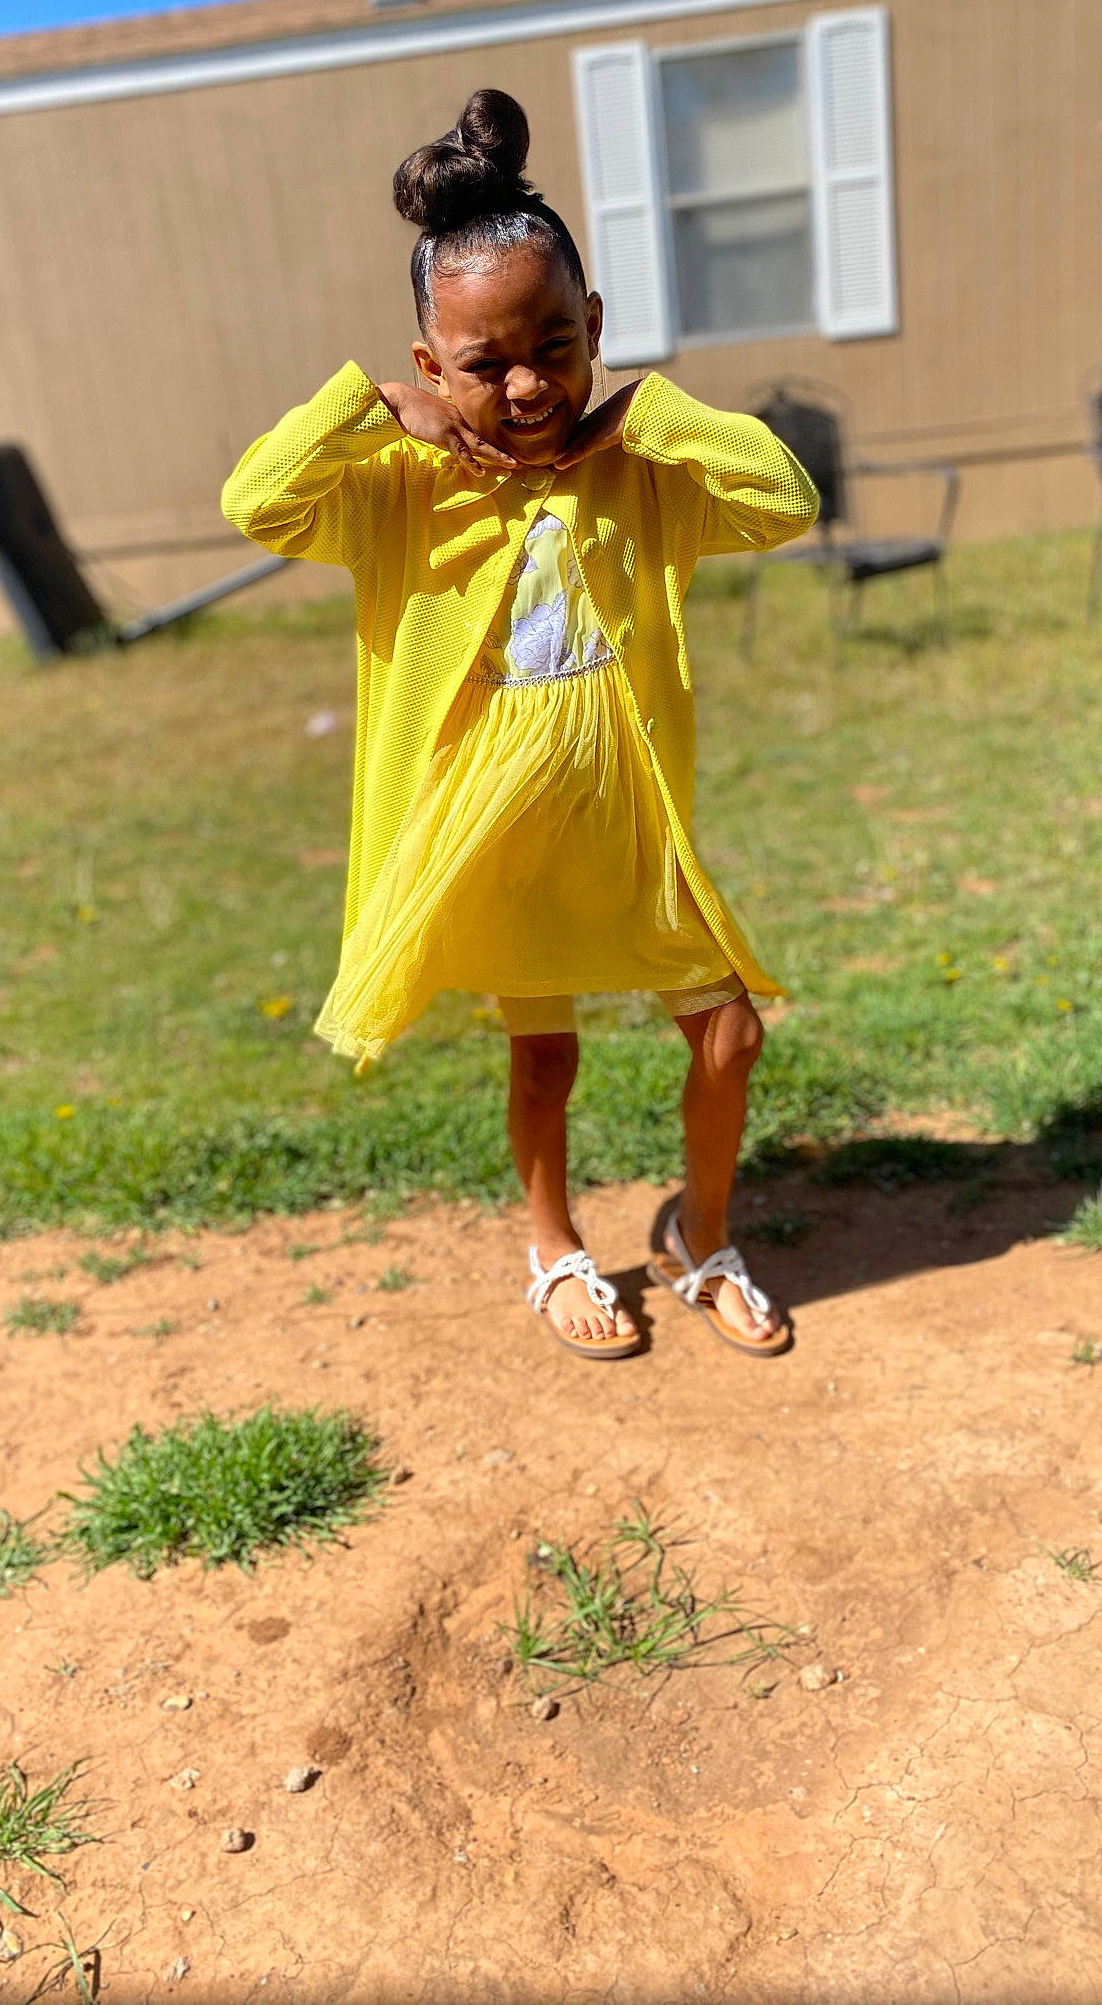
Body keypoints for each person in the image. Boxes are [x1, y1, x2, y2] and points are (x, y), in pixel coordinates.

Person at [222, 89, 817, 1362]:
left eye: (555, 346)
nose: (529, 383)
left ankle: (697, 1232)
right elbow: (255, 501)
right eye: (483, 364)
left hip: (627, 822)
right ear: (436, 364)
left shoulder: (644, 471)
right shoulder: (394, 490)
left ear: (593, 326)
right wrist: (375, 403)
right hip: (496, 828)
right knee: (542, 1058)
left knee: (729, 1033)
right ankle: (553, 1243)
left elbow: (785, 496)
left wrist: (644, 411)